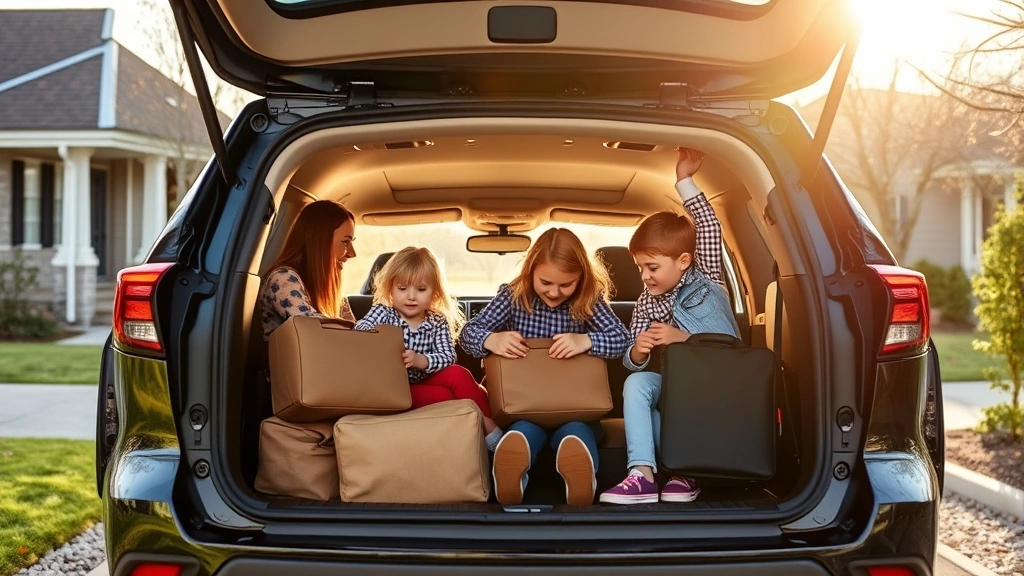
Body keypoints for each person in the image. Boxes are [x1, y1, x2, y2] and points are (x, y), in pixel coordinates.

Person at [599, 148, 741, 505]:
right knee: (637, 383)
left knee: (681, 400)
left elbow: (708, 226)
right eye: (639, 268)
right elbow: (631, 360)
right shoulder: (647, 301)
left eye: (652, 267)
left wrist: (684, 180)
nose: (644, 276)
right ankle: (643, 474)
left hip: (719, 389)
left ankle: (686, 471)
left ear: (683, 261)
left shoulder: (706, 275)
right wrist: (639, 350)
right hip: (678, 393)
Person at [460, 228, 630, 506]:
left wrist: (587, 340)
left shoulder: (589, 299)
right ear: (531, 271)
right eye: (546, 282)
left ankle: (581, 474)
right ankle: (513, 466)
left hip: (576, 405)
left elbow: (623, 340)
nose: (555, 292)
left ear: (581, 278)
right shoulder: (513, 296)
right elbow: (468, 334)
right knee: (523, 430)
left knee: (576, 430)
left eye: (566, 285)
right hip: (523, 405)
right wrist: (492, 338)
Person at [355, 247, 503, 450]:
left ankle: (493, 433)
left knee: (459, 374)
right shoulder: (383, 312)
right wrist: (383, 341)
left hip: (427, 379)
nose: (411, 296)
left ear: (434, 293)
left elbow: (448, 356)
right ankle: (490, 433)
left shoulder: (436, 320)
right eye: (402, 288)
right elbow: (360, 330)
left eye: (421, 289)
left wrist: (421, 360)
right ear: (390, 289)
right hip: (397, 389)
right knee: (452, 399)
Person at [260, 200, 357, 341]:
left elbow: (357, 332)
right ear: (320, 241)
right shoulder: (283, 279)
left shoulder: (332, 290)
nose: (352, 253)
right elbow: (313, 326)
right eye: (345, 242)